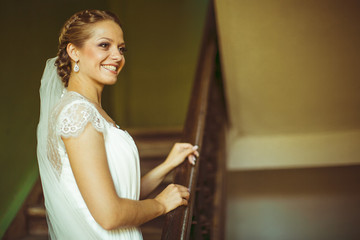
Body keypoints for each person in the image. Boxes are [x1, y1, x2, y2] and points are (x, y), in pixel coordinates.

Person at [37, 9, 199, 240]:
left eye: (121, 49)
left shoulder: (90, 110)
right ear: (74, 52)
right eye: (105, 45)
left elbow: (120, 194)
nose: (117, 56)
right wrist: (160, 205)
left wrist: (167, 165)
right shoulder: (78, 113)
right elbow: (110, 215)